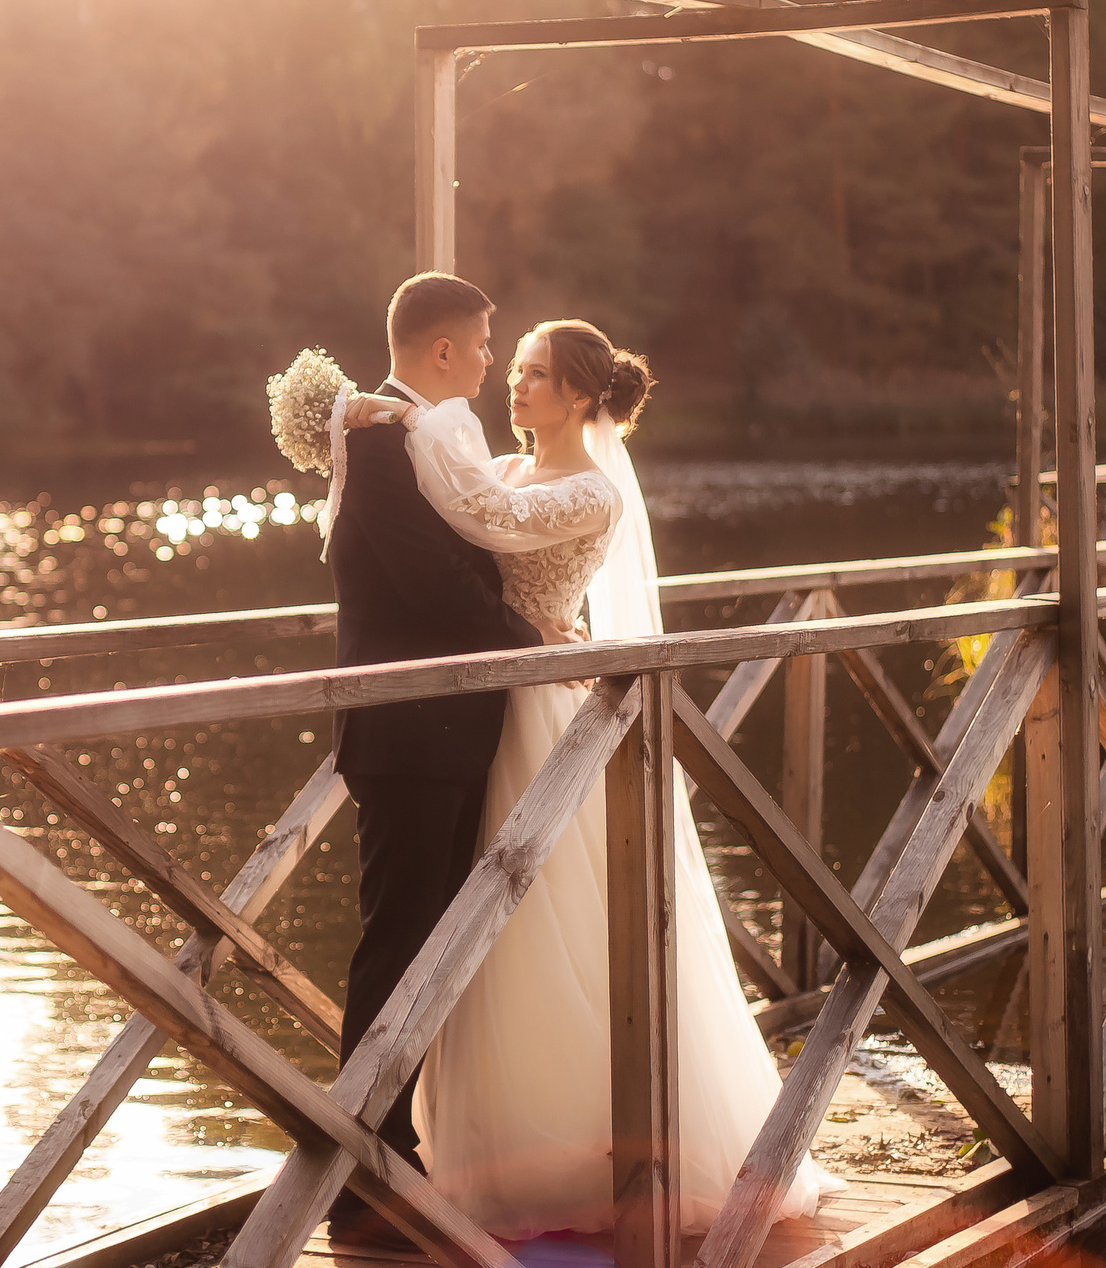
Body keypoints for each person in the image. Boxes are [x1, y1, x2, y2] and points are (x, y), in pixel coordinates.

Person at [343, 319, 831, 1240]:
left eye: (534, 373)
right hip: (485, 717)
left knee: (553, 923)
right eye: (516, 368)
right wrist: (383, 427)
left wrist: (409, 420)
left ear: (577, 395)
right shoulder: (506, 468)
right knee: (480, 936)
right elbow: (455, 516)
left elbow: (484, 518)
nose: (515, 384)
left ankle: (594, 1150)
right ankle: (479, 1144)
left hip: (544, 719)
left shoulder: (590, 493)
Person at [319, 273, 564, 1251]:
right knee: (398, 942)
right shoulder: (381, 440)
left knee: (429, 942)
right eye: (485, 345)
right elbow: (429, 579)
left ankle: (392, 1147)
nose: (494, 361)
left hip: (446, 731)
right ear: (443, 351)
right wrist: (529, 635)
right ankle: (359, 1170)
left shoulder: (420, 433)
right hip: (408, 733)